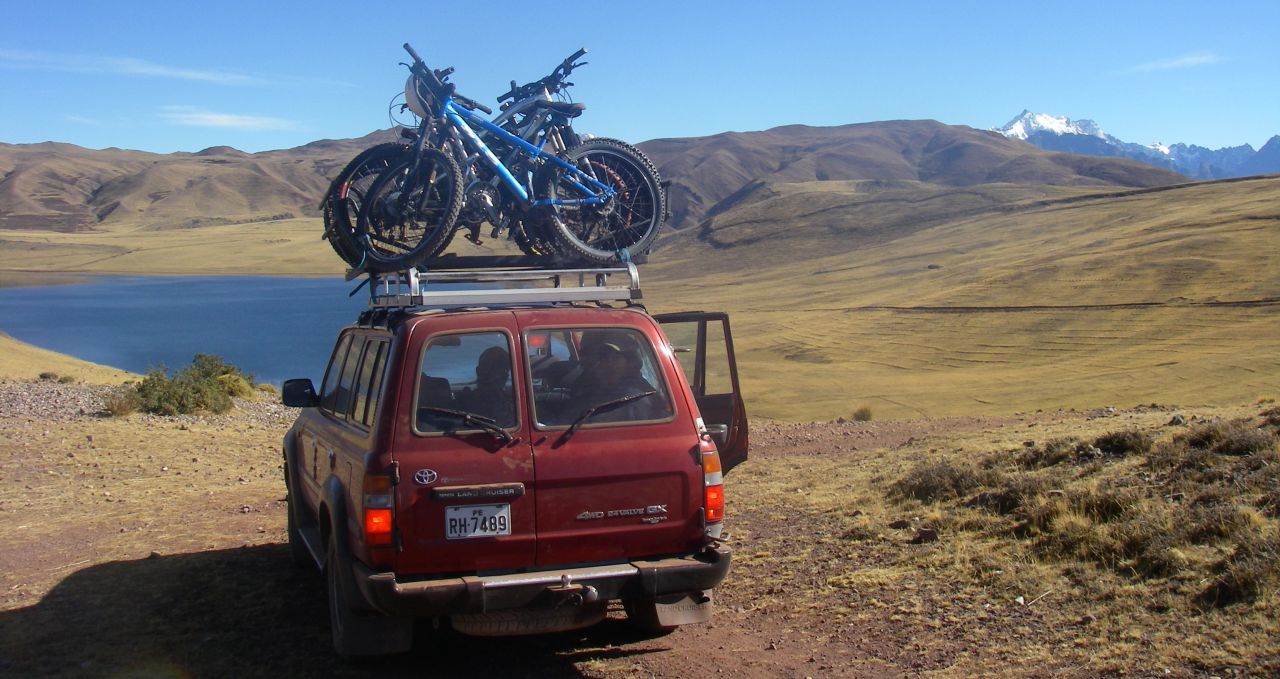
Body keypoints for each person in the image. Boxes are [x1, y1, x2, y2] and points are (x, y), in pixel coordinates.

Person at [571, 339, 668, 422]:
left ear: (630, 363)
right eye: (604, 359)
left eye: (615, 358)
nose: (609, 364)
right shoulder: (591, 388)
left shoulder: (638, 397)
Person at [456, 346, 515, 425]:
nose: (501, 375)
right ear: (479, 371)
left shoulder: (514, 402)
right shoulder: (463, 403)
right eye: (494, 368)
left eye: (505, 370)